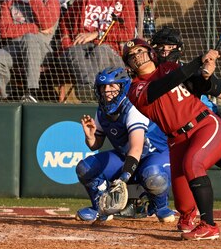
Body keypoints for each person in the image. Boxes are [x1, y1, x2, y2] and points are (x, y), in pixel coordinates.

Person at [123, 38, 221, 240]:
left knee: (193, 164)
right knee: (183, 204)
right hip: (176, 140)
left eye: (140, 51)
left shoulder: (170, 67)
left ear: (150, 52)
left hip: (204, 125)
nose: (137, 56)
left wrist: (206, 72)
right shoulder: (134, 88)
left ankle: (209, 225)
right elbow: (160, 87)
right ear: (129, 65)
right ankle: (188, 217)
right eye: (132, 56)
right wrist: (198, 60)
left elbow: (198, 85)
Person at [150, 26, 221, 222]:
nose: (165, 52)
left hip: (204, 126)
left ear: (178, 49)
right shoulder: (150, 76)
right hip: (174, 135)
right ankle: (142, 201)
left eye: (169, 47)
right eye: (160, 47)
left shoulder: (191, 72)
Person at [75, 66, 175, 223]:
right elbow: (95, 146)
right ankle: (101, 208)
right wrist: (89, 136)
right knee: (85, 168)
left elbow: (136, 148)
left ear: (123, 87)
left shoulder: (132, 107)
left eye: (111, 86)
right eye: (103, 87)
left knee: (153, 175)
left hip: (154, 155)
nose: (106, 91)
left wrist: (123, 177)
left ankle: (160, 206)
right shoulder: (102, 110)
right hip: (127, 157)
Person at [60, 0, 135, 101]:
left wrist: (98, 34)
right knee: (74, 51)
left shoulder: (126, 0)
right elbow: (66, 21)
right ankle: (91, 88)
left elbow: (128, 32)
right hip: (80, 48)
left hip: (110, 51)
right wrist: (66, 43)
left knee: (100, 50)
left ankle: (102, 90)